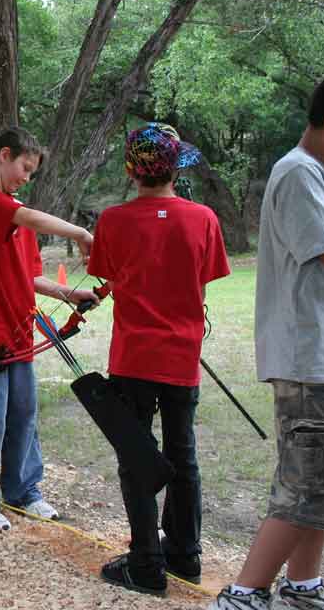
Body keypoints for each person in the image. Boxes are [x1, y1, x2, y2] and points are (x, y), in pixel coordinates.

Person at [210, 69, 324, 610]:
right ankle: (243, 594)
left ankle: (303, 586)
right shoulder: (297, 174)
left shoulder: (322, 175)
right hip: (309, 359)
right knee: (306, 480)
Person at [88, 123, 231, 595]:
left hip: (133, 356)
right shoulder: (204, 218)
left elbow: (108, 276)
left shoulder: (112, 221)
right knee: (182, 455)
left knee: (136, 456)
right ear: (176, 167)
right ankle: (185, 554)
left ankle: (147, 561)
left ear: (133, 172)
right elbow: (204, 278)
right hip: (181, 354)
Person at [0, 126, 96, 531]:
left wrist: (68, 293)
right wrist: (82, 232)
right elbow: (26, 216)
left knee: (23, 414)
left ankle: (24, 492)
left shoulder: (17, 212)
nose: (26, 177)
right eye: (24, 168)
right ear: (3, 155)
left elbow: (29, 277)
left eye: (31, 172)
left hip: (17, 330)